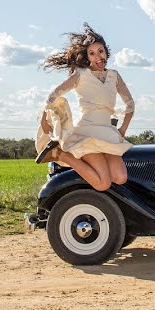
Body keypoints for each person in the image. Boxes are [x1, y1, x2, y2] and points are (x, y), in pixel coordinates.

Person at [37, 24, 134, 191]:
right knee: (103, 183)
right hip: (87, 132)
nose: (97, 56)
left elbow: (130, 103)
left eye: (100, 51)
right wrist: (45, 119)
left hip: (108, 132)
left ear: (106, 52)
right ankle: (63, 155)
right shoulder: (81, 74)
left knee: (120, 177)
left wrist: (123, 129)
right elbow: (53, 95)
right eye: (92, 53)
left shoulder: (114, 76)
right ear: (87, 57)